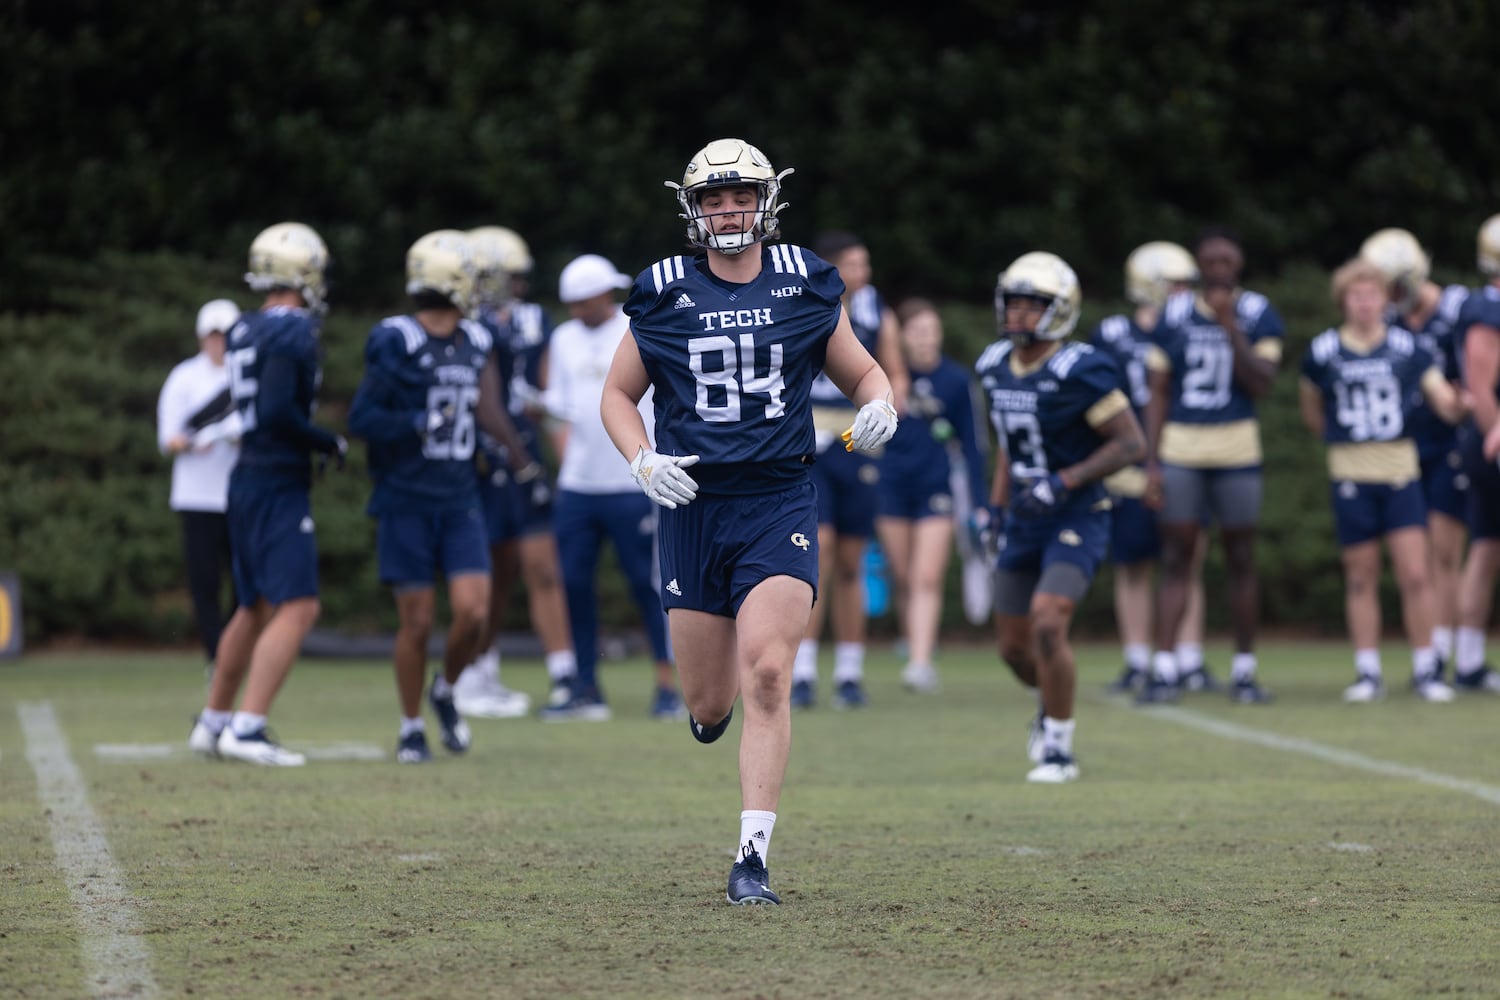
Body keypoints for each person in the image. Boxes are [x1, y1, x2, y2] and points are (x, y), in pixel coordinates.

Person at [599, 138, 897, 904]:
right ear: (693, 210)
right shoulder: (665, 292)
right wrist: (640, 461)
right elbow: (616, 396)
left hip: (778, 498)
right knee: (709, 703)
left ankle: (752, 860)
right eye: (712, 199)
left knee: (769, 670)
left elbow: (860, 368)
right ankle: (710, 715)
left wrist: (879, 400)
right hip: (694, 505)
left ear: (765, 201)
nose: (727, 210)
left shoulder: (803, 282)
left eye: (739, 197)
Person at [348, 229, 537, 763]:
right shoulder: (396, 339)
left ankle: (446, 688)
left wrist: (515, 455)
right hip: (405, 497)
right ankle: (411, 726)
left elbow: (486, 407)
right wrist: (414, 419)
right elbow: (362, 417)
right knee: (417, 622)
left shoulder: (476, 340)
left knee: (474, 615)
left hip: (459, 497)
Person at [976, 251, 1145, 784]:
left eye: (1033, 305)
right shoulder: (994, 365)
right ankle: (1048, 705)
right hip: (1025, 513)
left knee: (1049, 621)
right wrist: (996, 508)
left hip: (1078, 510)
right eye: (1015, 303)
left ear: (1059, 310)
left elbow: (1130, 443)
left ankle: (1059, 749)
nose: (1020, 313)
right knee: (1013, 647)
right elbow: (1008, 448)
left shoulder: (1081, 370)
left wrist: (1066, 480)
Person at [187, 222, 345, 766]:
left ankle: (213, 721)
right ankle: (248, 727)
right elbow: (278, 411)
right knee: (298, 605)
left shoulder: (244, 328)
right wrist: (329, 441)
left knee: (253, 606)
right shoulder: (292, 331)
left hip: (246, 477)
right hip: (276, 478)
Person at [1299, 258, 1465, 701]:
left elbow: (1443, 401)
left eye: (1373, 294)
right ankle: (1368, 670)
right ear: (1343, 300)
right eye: (1357, 295)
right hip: (1351, 473)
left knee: (1414, 573)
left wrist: (1466, 402)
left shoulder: (1407, 348)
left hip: (1399, 473)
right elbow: (1312, 409)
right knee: (1361, 574)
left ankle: (1427, 667)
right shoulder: (1323, 351)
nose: (1365, 303)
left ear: (1384, 299)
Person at [1140, 227, 1284, 704]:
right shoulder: (1174, 313)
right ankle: (1163, 669)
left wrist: (1229, 325)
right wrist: (1152, 460)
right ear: (1199, 265)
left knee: (1241, 558)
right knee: (1177, 558)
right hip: (1182, 449)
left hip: (1237, 450)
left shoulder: (1258, 312)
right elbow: (1158, 390)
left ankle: (1245, 670)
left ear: (1239, 262)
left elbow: (1261, 382)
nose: (1220, 267)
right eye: (1211, 259)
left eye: (1227, 258)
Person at [541, 253, 684, 721]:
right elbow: (558, 410)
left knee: (650, 586)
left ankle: (667, 684)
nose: (581, 309)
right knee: (576, 584)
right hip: (579, 489)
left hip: (633, 485)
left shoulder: (636, 326)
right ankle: (585, 687)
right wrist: (570, 465)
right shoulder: (562, 339)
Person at [458, 225, 582, 711]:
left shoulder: (535, 320)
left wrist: (553, 432)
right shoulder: (467, 323)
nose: (518, 284)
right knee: (490, 570)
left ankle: (564, 673)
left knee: (542, 565)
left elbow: (549, 384)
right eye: (508, 275)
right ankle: (476, 670)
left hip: (526, 453)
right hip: (486, 458)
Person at [790, 231, 908, 710]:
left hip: (854, 440)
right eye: (855, 264)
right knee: (819, 554)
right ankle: (802, 670)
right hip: (810, 441)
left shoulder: (878, 311)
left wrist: (882, 410)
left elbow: (894, 373)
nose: (864, 273)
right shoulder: (801, 300)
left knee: (853, 562)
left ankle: (850, 670)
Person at [1091, 243, 1213, 694]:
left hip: (1182, 459)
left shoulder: (1192, 329)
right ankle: (1137, 658)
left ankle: (1188, 658)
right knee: (1133, 566)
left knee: (1187, 563)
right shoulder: (1111, 334)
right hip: (1129, 467)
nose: (1183, 292)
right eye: (1175, 284)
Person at [1358, 228, 1473, 679]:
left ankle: (1443, 650)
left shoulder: (1459, 309)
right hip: (1403, 446)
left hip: (1450, 443)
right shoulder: (1388, 323)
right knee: (1416, 555)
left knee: (1446, 550)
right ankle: (1430, 651)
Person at [873, 298, 987, 693]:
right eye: (917, 331)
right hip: (891, 484)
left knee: (926, 576)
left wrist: (982, 501)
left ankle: (920, 663)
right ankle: (916, 644)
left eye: (932, 331)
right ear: (902, 337)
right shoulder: (882, 378)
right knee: (904, 576)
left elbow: (974, 446)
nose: (926, 340)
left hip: (936, 487)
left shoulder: (956, 381)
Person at [157, 298, 242, 672]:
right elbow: (169, 439)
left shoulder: (247, 374)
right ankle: (215, 659)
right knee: (205, 584)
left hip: (242, 496)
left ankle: (234, 654)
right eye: (212, 335)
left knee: (246, 586)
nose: (218, 342)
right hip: (197, 498)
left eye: (225, 335)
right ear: (200, 337)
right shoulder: (184, 377)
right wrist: (198, 441)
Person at [1453, 213, 1500, 690]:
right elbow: (1481, 386)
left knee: (1486, 547)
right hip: (1491, 438)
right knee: (1485, 548)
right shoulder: (1488, 310)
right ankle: (1466, 660)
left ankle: (1468, 661)